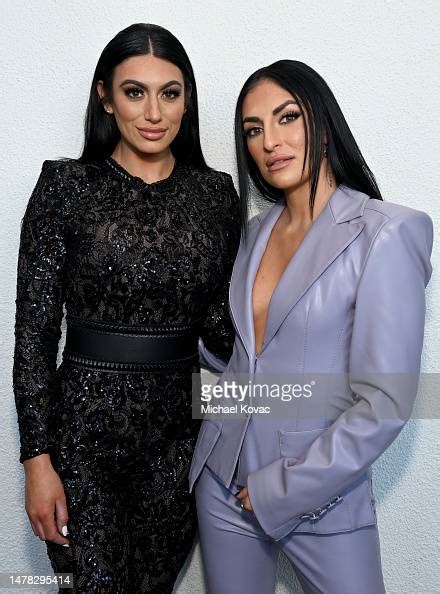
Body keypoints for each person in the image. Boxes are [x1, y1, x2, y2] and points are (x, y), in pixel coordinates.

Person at [189, 60, 433, 594]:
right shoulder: (254, 234)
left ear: (321, 119)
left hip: (321, 492)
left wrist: (283, 488)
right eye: (253, 129)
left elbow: (384, 404)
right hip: (222, 480)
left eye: (287, 117)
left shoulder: (387, 232)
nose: (270, 141)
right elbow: (246, 356)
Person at [13, 23, 241, 593]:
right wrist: (36, 462)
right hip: (82, 441)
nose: (154, 111)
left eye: (170, 92)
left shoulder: (215, 196)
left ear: (187, 100)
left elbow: (222, 330)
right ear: (105, 97)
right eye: (135, 91)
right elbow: (34, 336)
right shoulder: (66, 186)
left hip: (181, 441)